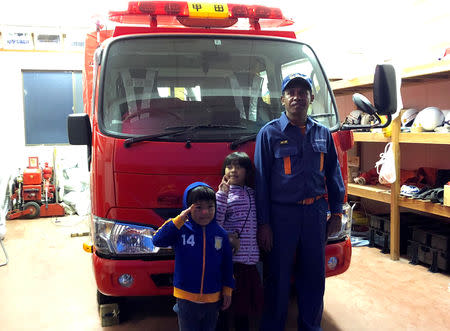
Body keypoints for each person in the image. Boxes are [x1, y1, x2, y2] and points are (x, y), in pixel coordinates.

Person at [254, 73, 345, 331]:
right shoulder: (269, 134)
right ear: (282, 99)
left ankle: (310, 327)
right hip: (282, 216)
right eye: (291, 92)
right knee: (278, 279)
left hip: (315, 215)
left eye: (303, 92)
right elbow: (261, 183)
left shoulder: (323, 133)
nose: (297, 97)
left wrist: (336, 213)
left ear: (311, 98)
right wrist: (264, 224)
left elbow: (334, 175)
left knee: (314, 278)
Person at [153, 182, 235, 331]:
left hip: (213, 299)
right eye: (198, 207)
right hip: (186, 299)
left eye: (210, 207)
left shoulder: (220, 234)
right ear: (188, 208)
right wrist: (179, 219)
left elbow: (227, 265)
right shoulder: (180, 230)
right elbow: (157, 240)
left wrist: (228, 290)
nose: (205, 212)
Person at [215, 152, 264, 331]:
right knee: (226, 308)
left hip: (251, 263)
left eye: (239, 166)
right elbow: (216, 224)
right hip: (231, 263)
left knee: (244, 311)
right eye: (229, 166)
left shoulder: (253, 193)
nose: (233, 170)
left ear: (247, 171)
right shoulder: (221, 195)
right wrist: (221, 195)